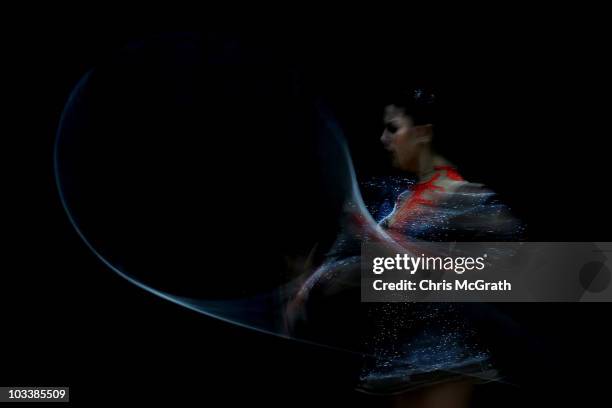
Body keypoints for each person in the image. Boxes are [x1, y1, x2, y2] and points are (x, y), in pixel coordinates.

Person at [286, 88, 522, 407]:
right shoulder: (401, 200)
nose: (384, 139)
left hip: (444, 353)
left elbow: (512, 261)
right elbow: (373, 267)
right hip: (396, 353)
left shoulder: (465, 195)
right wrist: (316, 279)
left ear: (423, 133)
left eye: (393, 128)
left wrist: (410, 253)